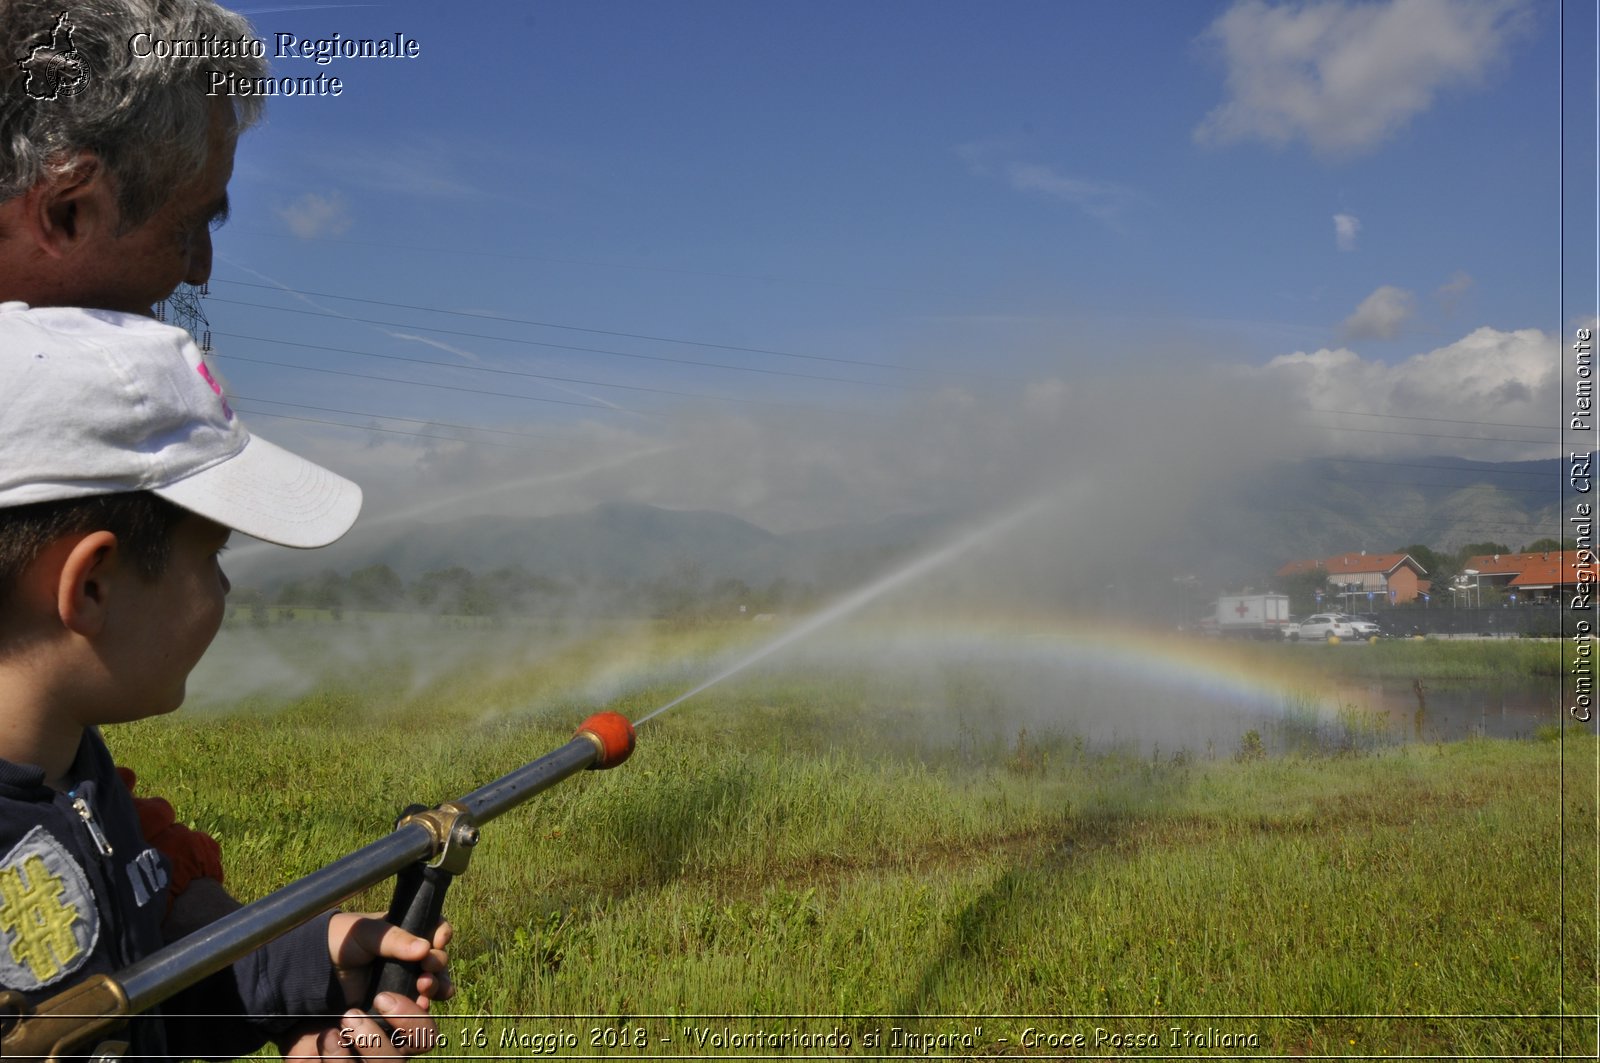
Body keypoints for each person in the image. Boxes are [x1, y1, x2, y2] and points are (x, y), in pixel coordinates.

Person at [0, 0, 450, 1056]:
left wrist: (287, 956)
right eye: (196, 217)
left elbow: (118, 927)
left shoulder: (69, 759)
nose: (198, 270)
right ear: (66, 210)